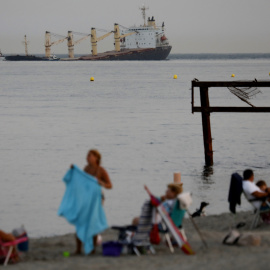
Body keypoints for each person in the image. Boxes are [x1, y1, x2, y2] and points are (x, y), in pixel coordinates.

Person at [75, 149, 112, 255]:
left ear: (96, 158)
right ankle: (78, 249)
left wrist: (101, 183)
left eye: (90, 156)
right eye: (87, 156)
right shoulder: (86, 169)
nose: (87, 158)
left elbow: (110, 185)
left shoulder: (101, 171)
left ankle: (92, 249)